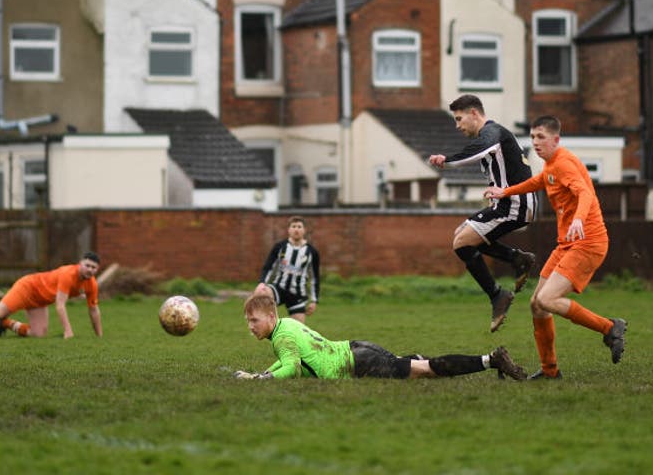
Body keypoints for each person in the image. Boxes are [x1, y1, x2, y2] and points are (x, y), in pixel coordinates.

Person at [487, 116, 626, 379]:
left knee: (547, 300)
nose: (536, 142)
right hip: (567, 244)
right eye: (533, 137)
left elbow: (585, 193)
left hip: (588, 242)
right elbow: (540, 181)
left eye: (541, 137)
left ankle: (609, 328)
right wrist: (505, 192)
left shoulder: (563, 163)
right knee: (537, 305)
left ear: (556, 139)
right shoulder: (552, 165)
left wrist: (577, 220)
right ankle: (550, 371)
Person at [427, 94, 537, 333]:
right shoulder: (494, 134)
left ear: (474, 114)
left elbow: (478, 150)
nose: (457, 126)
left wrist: (447, 160)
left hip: (515, 204)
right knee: (462, 237)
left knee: (462, 242)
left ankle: (499, 295)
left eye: (459, 119)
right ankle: (517, 260)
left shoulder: (491, 132)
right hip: (507, 204)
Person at [233, 292, 528, 381]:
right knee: (414, 367)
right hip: (356, 347)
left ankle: (492, 360)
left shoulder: (281, 336)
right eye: (248, 321)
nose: (250, 326)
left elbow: (291, 366)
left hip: (354, 363)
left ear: (271, 317)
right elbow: (287, 360)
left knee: (423, 371)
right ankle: (486, 361)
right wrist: (258, 374)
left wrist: (262, 379)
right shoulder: (285, 325)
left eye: (254, 320)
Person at [0, 252, 103, 339]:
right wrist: (68, 331)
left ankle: (5, 324)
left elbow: (94, 310)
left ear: (97, 270)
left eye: (93, 267)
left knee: (38, 335)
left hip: (40, 301)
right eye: (87, 265)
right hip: (28, 287)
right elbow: (60, 305)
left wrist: (99, 337)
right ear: (80, 264)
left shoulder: (92, 284)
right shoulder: (68, 274)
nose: (89, 269)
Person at [253, 216, 320, 323]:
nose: (296, 229)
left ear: (304, 230)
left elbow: (314, 278)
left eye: (299, 226)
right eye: (293, 226)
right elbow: (268, 267)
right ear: (289, 230)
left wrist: (314, 300)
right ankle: (262, 323)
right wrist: (262, 283)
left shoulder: (312, 252)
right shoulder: (280, 247)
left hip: (297, 293)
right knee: (261, 292)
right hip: (279, 288)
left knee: (298, 331)